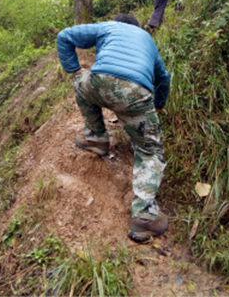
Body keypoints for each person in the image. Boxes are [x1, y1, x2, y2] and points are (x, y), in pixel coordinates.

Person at [56, 14, 171, 243]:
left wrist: (74, 69)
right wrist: (157, 106)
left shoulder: (108, 27)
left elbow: (64, 36)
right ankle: (144, 217)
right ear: (137, 28)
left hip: (98, 82)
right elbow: (163, 78)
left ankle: (96, 137)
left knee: (80, 82)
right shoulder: (148, 40)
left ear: (118, 23)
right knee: (149, 152)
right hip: (136, 93)